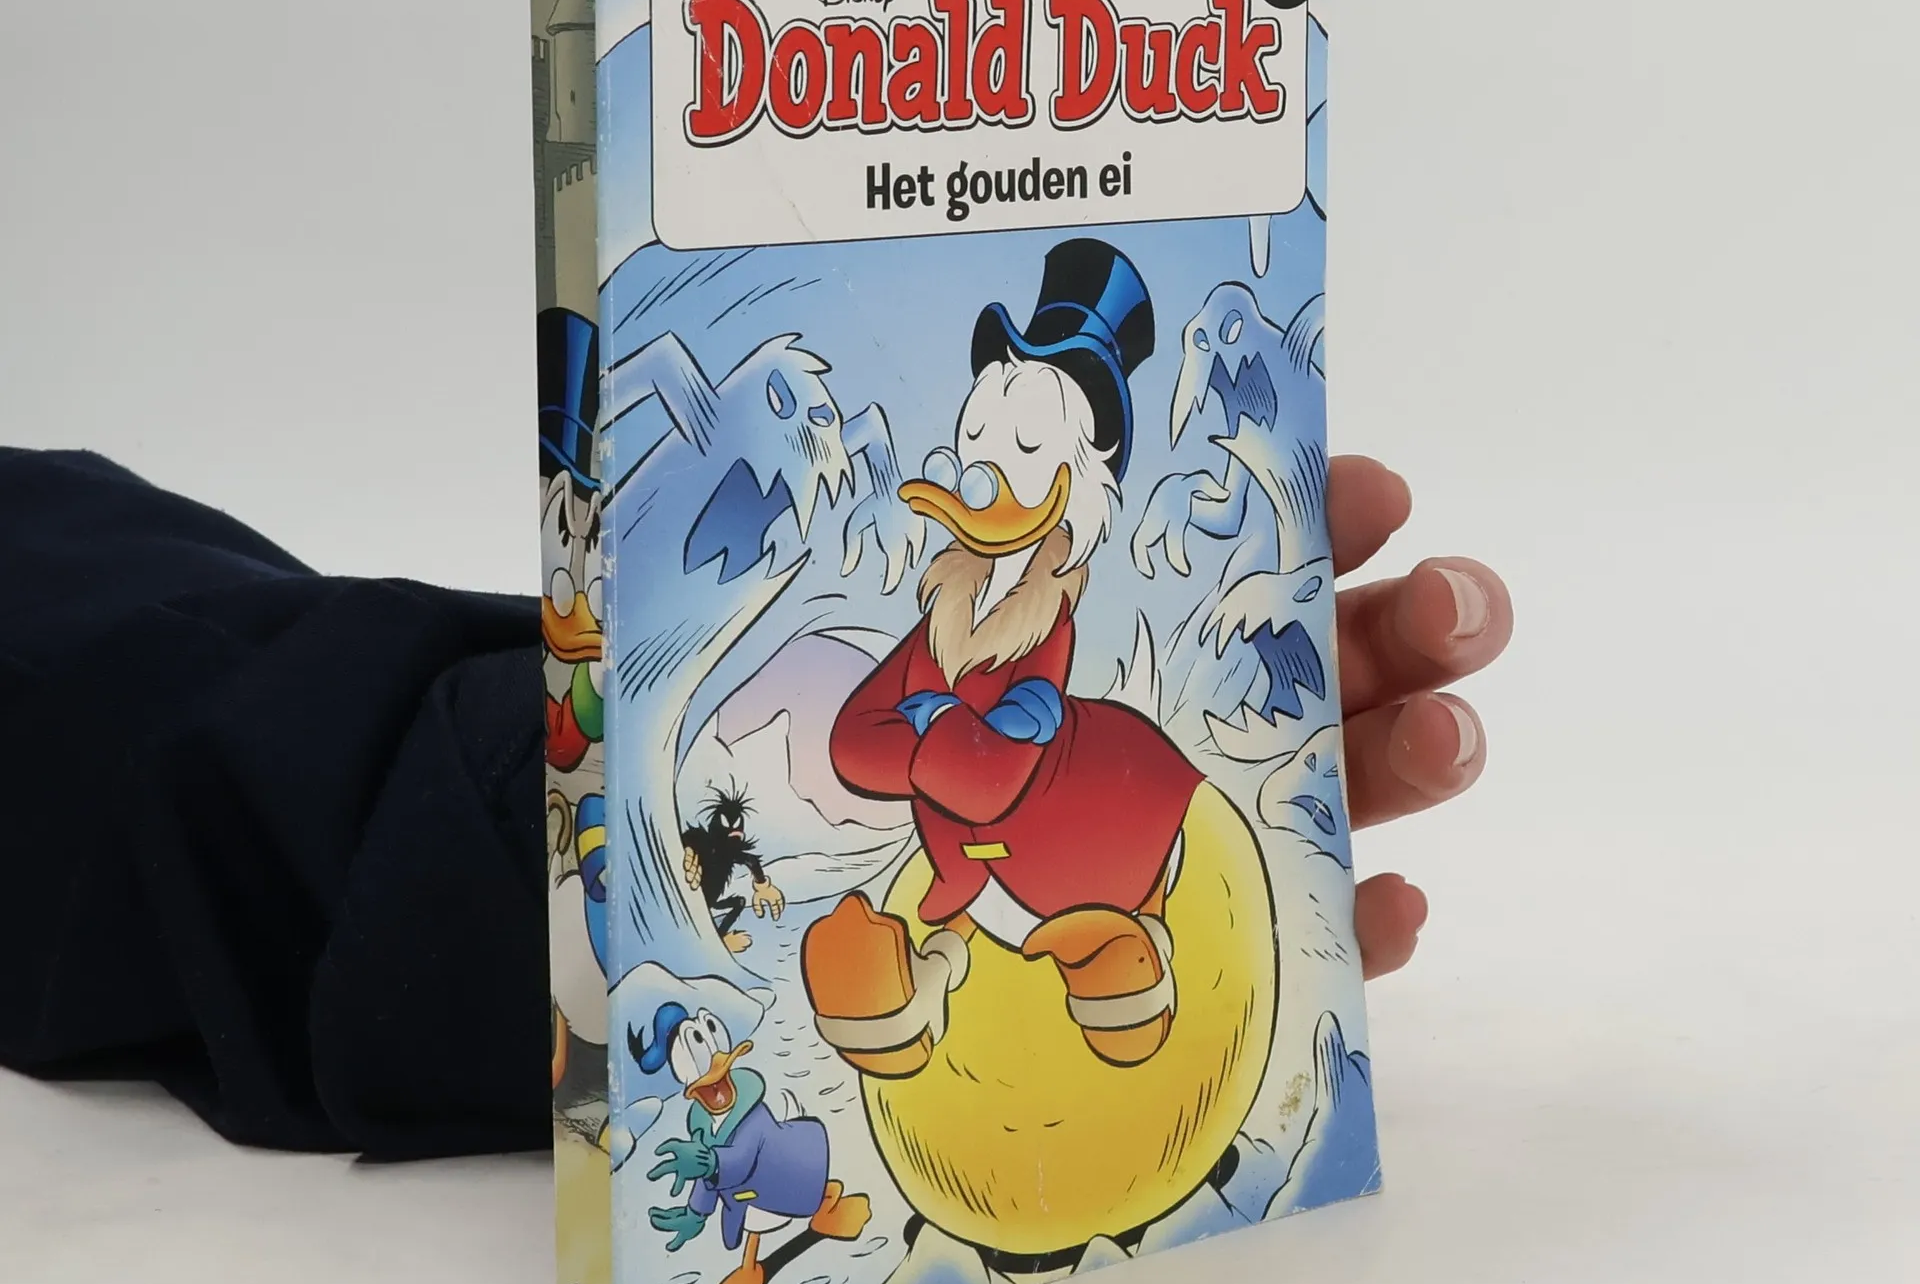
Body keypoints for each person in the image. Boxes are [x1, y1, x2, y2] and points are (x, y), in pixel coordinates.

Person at [0, 445, 1511, 1159]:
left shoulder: (1050, 679)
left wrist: (535, 823)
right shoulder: (931, 660)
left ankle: (1111, 965)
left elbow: (114, 665)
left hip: (1097, 836)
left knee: (1083, 916)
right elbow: (862, 751)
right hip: (939, 863)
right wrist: (581, 846)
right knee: (917, 933)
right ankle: (944, 988)